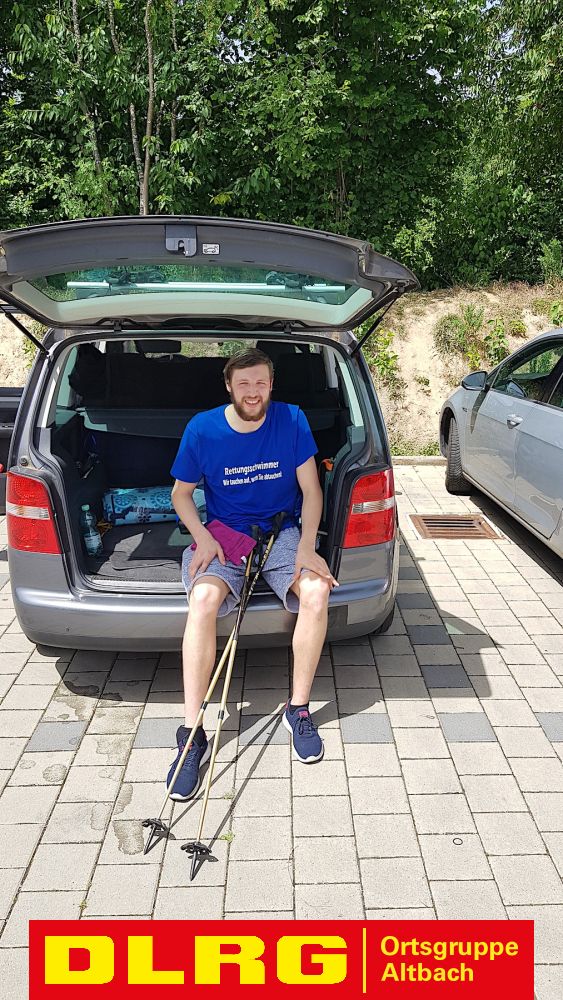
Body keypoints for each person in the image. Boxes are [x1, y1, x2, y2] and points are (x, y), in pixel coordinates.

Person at [166, 347, 338, 800]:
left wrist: (307, 547)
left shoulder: (292, 419)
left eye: (261, 382)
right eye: (243, 383)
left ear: (271, 384)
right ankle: (192, 734)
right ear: (229, 386)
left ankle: (298, 710)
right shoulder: (203, 429)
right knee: (203, 600)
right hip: (225, 534)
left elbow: (311, 490)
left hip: (282, 531)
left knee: (316, 592)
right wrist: (203, 538)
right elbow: (181, 494)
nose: (253, 392)